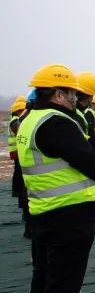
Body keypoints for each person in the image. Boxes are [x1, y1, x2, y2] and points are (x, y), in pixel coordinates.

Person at [18, 64, 95, 293]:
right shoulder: (56, 122)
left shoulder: (30, 120)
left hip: (44, 209)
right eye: (72, 93)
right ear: (58, 94)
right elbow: (83, 156)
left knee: (45, 278)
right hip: (69, 212)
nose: (75, 98)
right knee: (63, 282)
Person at [9, 95, 29, 238]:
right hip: (18, 153)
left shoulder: (17, 120)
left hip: (19, 152)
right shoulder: (15, 121)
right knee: (20, 179)